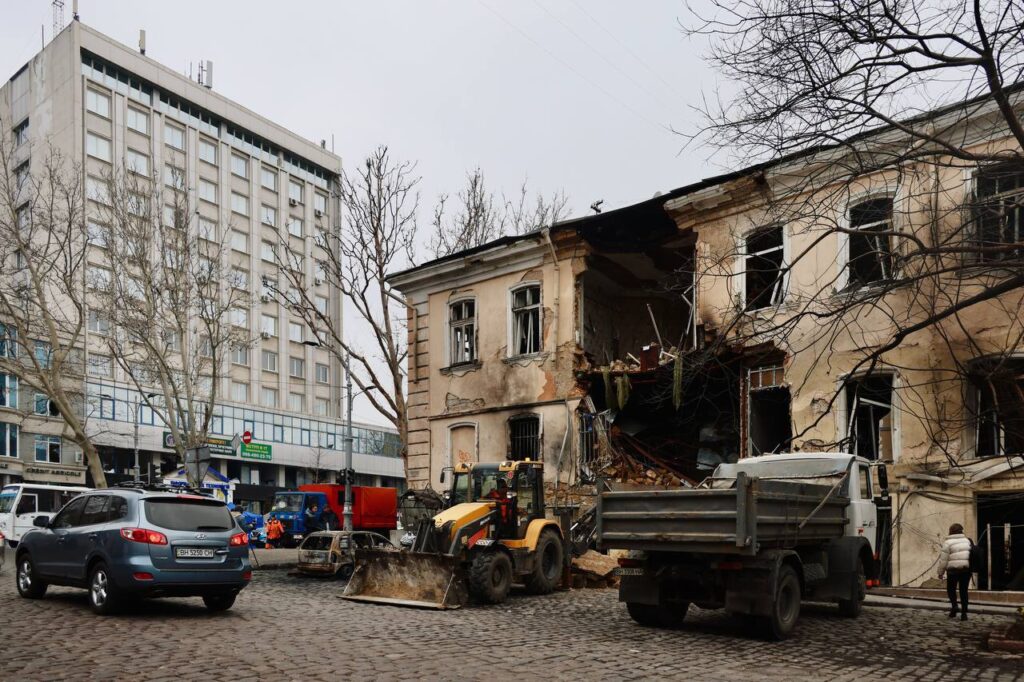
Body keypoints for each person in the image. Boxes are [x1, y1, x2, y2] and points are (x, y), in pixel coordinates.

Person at [937, 523, 974, 621]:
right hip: (965, 570)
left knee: (951, 589)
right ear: (961, 531)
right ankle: (964, 614)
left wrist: (940, 572)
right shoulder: (968, 541)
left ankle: (954, 606)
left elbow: (944, 560)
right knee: (964, 591)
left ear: (951, 531)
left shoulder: (948, 543)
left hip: (953, 571)